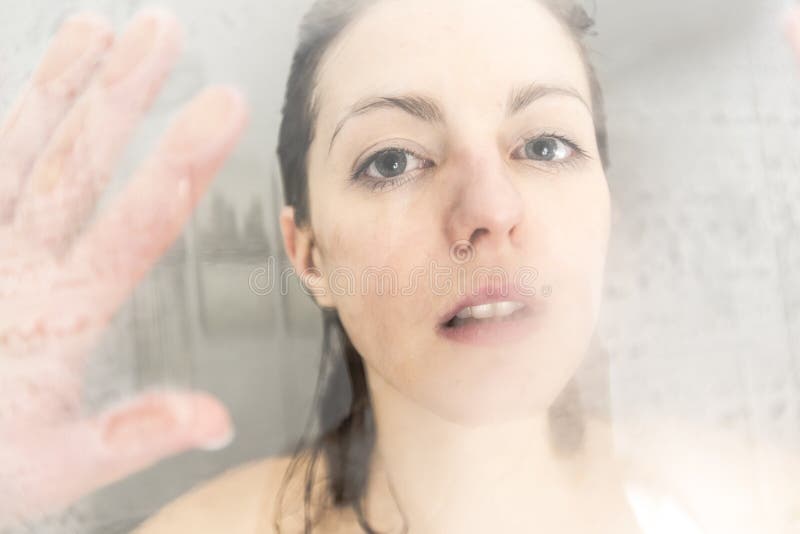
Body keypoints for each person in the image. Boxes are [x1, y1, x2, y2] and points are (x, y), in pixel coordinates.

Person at [1, 1, 799, 533]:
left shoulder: (753, 500)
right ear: (307, 254)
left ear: (607, 209)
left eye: (546, 145)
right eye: (391, 160)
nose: (489, 206)